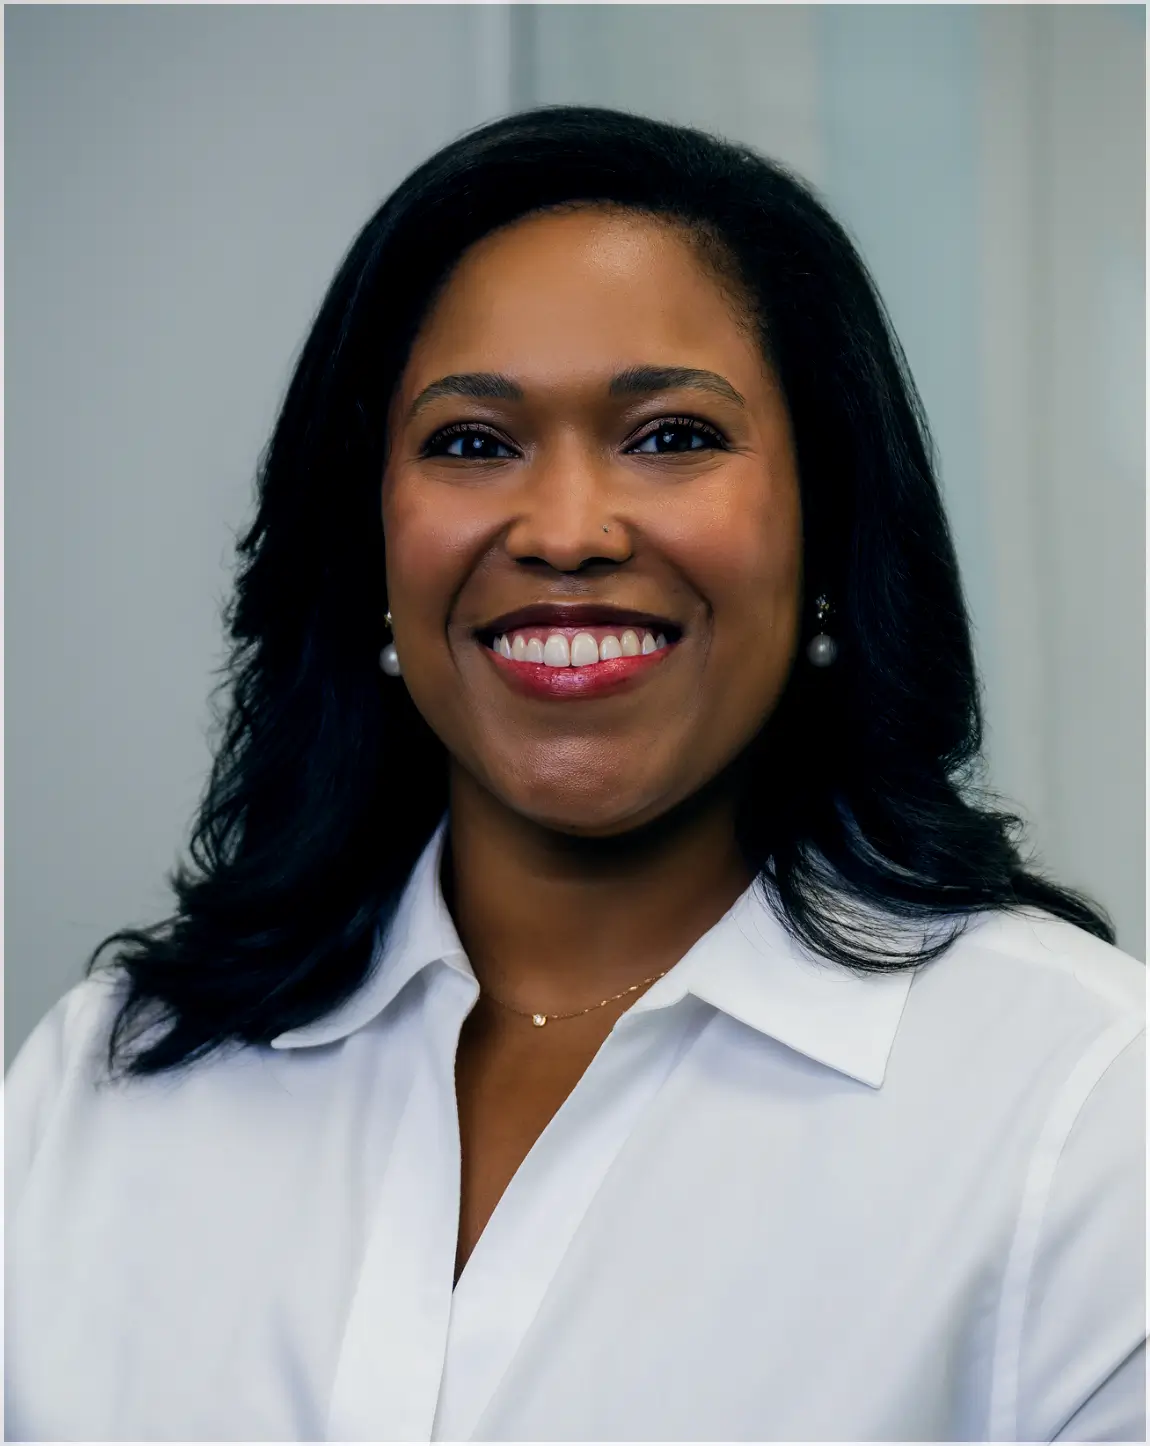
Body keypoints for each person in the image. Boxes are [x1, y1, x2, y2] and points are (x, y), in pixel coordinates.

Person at [6, 106, 1144, 1444]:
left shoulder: (1082, 1106)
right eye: (471, 443)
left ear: (827, 523)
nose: (563, 531)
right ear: (369, 536)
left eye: (669, 436)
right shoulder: (105, 1078)